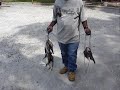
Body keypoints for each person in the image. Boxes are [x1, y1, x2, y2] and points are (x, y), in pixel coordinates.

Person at [47, 0, 91, 81]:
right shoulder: (57, 2)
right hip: (61, 36)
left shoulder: (79, 2)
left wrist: (86, 28)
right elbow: (55, 18)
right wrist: (51, 26)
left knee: (72, 54)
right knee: (64, 53)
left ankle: (71, 70)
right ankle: (66, 66)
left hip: (74, 36)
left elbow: (83, 18)